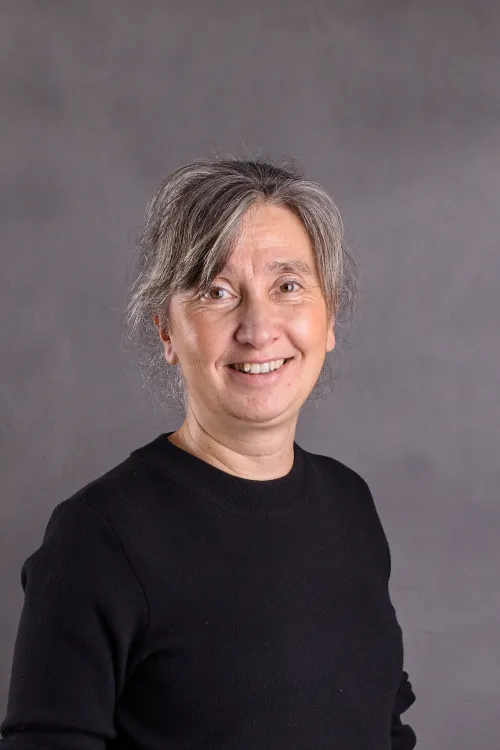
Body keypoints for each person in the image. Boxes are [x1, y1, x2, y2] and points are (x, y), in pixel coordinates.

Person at [0, 156, 417, 749]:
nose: (258, 328)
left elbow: (385, 727)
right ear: (167, 331)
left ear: (329, 318)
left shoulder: (349, 504)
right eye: (216, 292)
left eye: (288, 286)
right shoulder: (99, 537)